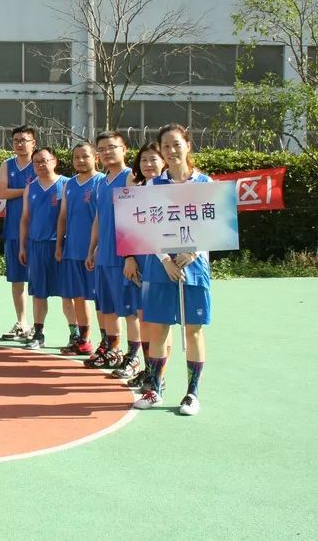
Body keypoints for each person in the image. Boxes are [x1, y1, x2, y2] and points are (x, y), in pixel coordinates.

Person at [134, 124, 213, 416]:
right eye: (165, 146)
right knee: (158, 329)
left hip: (195, 267)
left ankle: (192, 394)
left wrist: (192, 251)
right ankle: (155, 388)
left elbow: (214, 225)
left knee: (193, 331)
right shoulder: (152, 186)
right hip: (160, 268)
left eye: (176, 144)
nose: (171, 150)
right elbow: (145, 227)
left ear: (188, 145)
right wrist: (165, 259)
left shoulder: (205, 183)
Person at [84, 131, 140, 370]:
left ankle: (133, 357)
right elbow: (98, 218)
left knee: (129, 310)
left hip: (123, 256)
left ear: (124, 149)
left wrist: (131, 255)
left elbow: (136, 218)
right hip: (104, 255)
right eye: (102, 149)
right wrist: (91, 250)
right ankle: (112, 350)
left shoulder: (131, 178)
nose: (107, 152)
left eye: (112, 147)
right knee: (106, 307)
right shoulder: (100, 181)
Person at [122, 143, 168, 390]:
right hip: (139, 261)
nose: (148, 165)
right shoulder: (135, 191)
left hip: (164, 264)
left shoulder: (173, 190)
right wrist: (129, 257)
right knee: (143, 318)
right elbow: (127, 229)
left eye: (153, 159)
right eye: (144, 160)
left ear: (164, 162)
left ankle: (159, 375)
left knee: (160, 322)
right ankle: (150, 370)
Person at [18, 147, 67, 350]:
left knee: (69, 293)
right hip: (36, 246)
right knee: (39, 293)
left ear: (54, 161)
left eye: (44, 160)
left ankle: (76, 335)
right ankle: (38, 333)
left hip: (61, 246)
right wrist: (22, 246)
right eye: (36, 162)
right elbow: (25, 219)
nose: (40, 165)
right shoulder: (30, 188)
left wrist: (60, 243)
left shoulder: (66, 184)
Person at [56, 142, 103, 356]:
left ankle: (107, 344)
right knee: (78, 297)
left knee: (101, 299)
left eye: (85, 156)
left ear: (95, 158)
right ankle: (84, 340)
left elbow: (105, 218)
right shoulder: (69, 184)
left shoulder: (102, 182)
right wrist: (59, 244)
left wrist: (96, 248)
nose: (80, 160)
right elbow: (63, 216)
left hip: (97, 252)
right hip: (72, 249)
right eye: (76, 157)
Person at [0, 126, 37, 341]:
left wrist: (21, 192)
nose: (20, 144)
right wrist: (28, 191)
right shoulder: (7, 165)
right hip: (13, 231)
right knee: (17, 280)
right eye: (16, 140)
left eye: (24, 140)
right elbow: (3, 192)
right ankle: (22, 322)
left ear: (33, 143)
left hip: (37, 232)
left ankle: (39, 326)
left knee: (38, 280)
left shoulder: (39, 163)